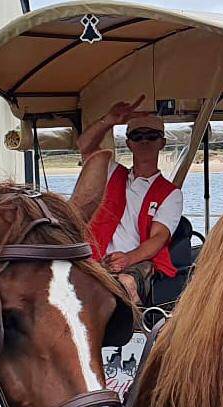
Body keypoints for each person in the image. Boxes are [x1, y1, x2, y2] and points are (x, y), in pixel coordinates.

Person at [78, 96, 183, 305]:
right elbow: (85, 146)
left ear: (162, 142)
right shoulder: (110, 172)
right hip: (97, 258)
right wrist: (108, 120)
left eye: (152, 136)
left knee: (125, 284)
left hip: (138, 262)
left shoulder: (171, 193)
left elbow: (158, 239)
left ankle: (134, 333)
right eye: (137, 135)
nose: (144, 141)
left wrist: (127, 258)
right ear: (128, 143)